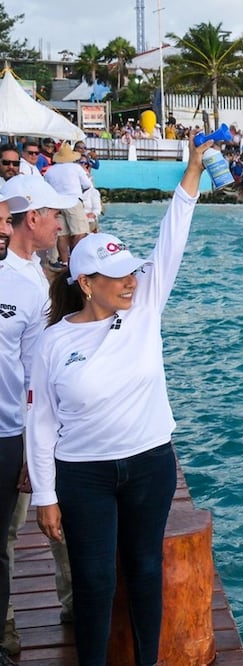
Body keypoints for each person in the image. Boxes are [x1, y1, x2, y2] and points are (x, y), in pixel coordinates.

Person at [26, 137, 208, 665]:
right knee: (95, 579)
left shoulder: (146, 304)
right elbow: (41, 424)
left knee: (146, 568)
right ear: (86, 283)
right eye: (118, 275)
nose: (132, 280)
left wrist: (192, 171)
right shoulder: (55, 341)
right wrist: (45, 496)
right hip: (83, 473)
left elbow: (173, 236)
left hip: (151, 462)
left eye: (132, 270)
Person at [0, 175, 74, 649]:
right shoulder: (23, 280)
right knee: (13, 529)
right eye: (54, 216)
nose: (59, 225)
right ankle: (6, 625)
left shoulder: (44, 281)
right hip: (17, 430)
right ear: (33, 218)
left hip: (26, 427)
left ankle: (77, 603)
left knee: (51, 520)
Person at [0, 186, 40, 665]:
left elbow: (33, 379)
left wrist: (32, 450)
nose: (5, 232)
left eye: (6, 223)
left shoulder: (27, 290)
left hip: (7, 436)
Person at [42, 143, 93, 270]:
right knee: (79, 232)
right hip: (73, 201)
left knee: (61, 234)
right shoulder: (76, 168)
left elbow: (46, 189)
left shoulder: (50, 171)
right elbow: (87, 185)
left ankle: (64, 263)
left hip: (57, 203)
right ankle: (75, 261)